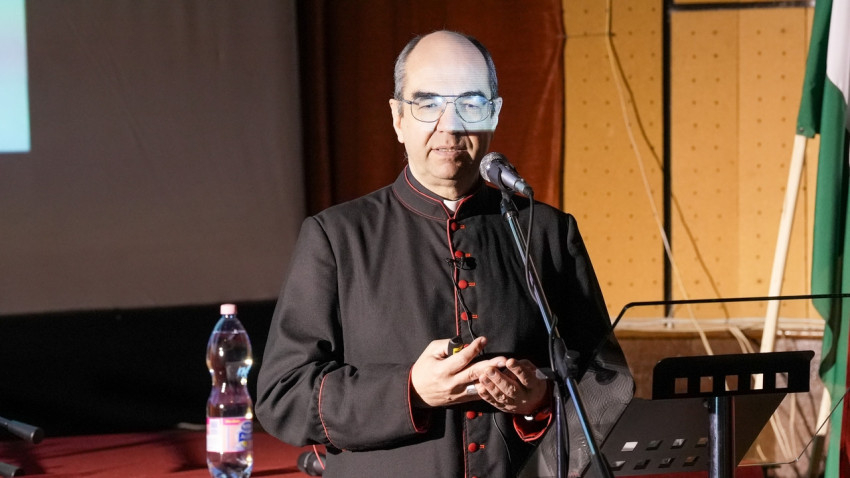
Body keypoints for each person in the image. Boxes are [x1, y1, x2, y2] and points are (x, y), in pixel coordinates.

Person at [256, 30, 629, 478]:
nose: (449, 126)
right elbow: (282, 396)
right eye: (428, 104)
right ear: (397, 118)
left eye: (470, 104)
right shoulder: (336, 237)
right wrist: (410, 390)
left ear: (493, 114)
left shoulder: (547, 231)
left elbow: (608, 383)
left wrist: (540, 400)